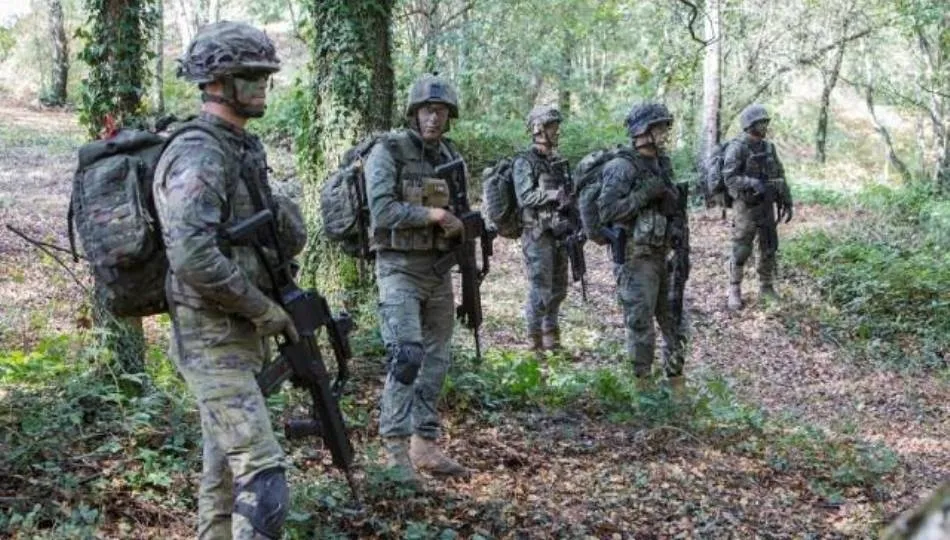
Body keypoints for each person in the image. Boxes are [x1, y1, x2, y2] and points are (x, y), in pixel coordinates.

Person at [153, 21, 307, 540]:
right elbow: (191, 254)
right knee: (264, 483)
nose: (263, 85)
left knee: (222, 477)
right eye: (251, 76)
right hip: (212, 335)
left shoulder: (240, 147)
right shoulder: (200, 151)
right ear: (216, 83)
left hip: (239, 331)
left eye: (266, 76)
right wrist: (262, 309)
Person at [364, 73, 470, 482]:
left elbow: (461, 210)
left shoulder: (450, 156)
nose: (434, 118)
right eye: (427, 110)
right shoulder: (388, 151)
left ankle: (424, 443)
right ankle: (395, 450)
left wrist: (461, 226)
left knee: (437, 359)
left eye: (441, 111)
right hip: (398, 270)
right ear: (413, 113)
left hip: (437, 270)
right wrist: (434, 215)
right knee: (407, 356)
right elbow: (383, 211)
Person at [597, 102, 686, 389]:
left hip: (664, 255)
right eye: (659, 127)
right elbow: (606, 211)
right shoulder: (621, 167)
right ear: (643, 130)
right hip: (637, 258)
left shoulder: (663, 164)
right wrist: (644, 195)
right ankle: (643, 390)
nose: (664, 133)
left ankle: (676, 386)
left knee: (676, 322)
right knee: (640, 325)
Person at [513, 105, 574, 352]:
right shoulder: (524, 162)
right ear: (538, 129)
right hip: (537, 233)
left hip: (559, 231)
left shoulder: (558, 161)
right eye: (552, 127)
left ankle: (551, 335)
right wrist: (553, 195)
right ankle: (534, 339)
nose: (556, 131)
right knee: (541, 289)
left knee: (559, 288)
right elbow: (524, 197)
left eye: (557, 127)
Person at [723, 104, 794, 311]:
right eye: (760, 123)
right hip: (746, 206)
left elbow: (780, 174)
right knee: (741, 248)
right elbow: (730, 178)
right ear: (749, 125)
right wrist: (752, 183)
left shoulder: (769, 148)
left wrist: (787, 200)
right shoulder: (737, 147)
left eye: (765, 122)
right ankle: (734, 288)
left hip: (766, 205)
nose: (764, 126)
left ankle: (766, 286)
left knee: (768, 246)